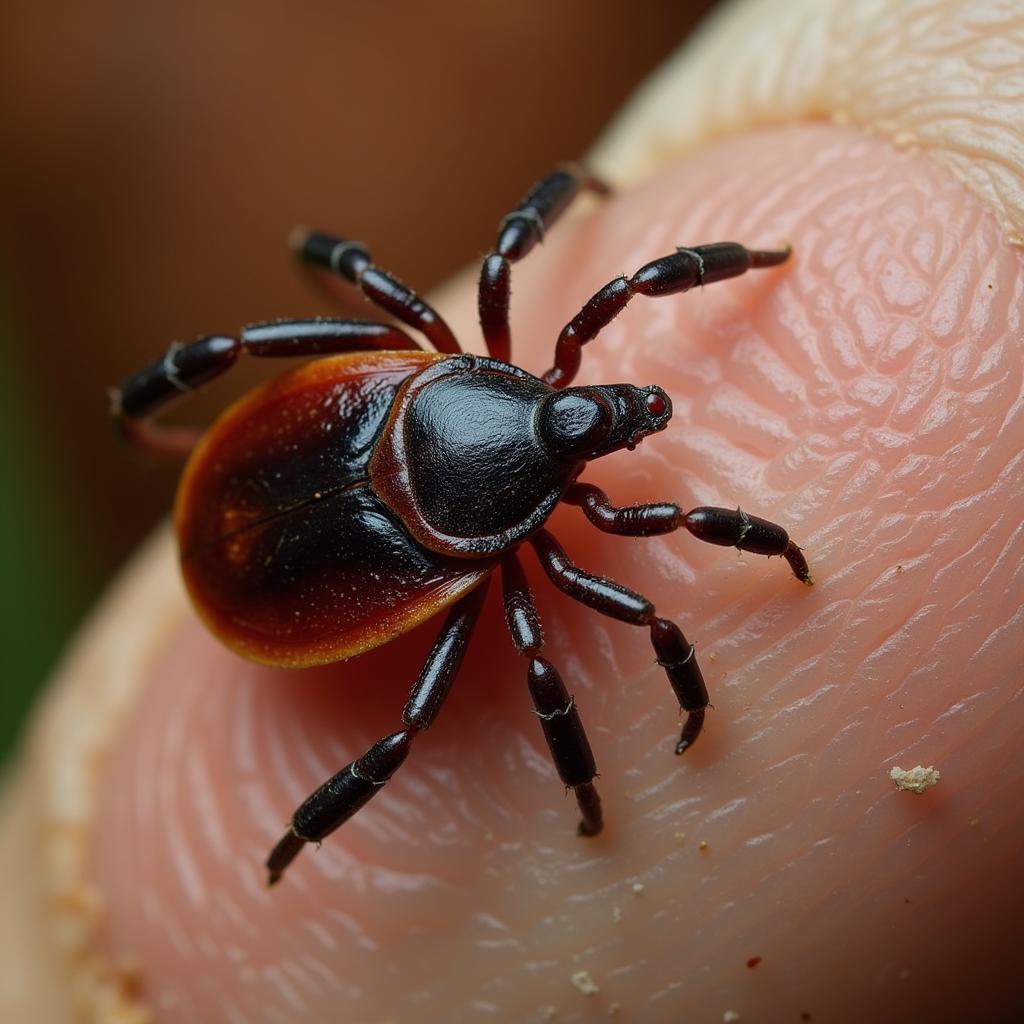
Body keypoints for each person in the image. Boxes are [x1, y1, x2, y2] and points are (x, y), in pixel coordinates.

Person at [3, 0, 1022, 1020]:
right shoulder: (529, 487)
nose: (598, 415)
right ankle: (329, 837)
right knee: (473, 695)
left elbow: (430, 278)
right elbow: (632, 626)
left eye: (580, 417)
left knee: (370, 340)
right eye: (594, 420)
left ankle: (301, 834)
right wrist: (747, 576)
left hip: (314, 532)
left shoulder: (456, 359)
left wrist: (338, 248)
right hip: (329, 548)